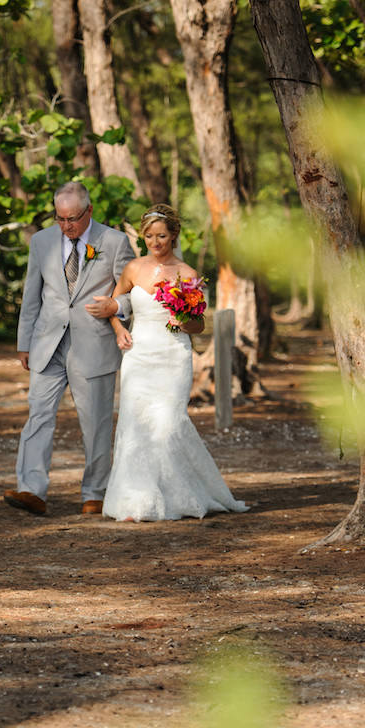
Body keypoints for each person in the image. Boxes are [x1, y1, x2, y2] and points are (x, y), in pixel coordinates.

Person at [102, 204, 247, 522]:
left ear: (173, 236)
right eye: (150, 236)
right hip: (139, 355)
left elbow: (199, 326)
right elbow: (114, 307)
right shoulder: (133, 269)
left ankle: (181, 494)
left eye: (162, 236)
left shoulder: (188, 274)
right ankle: (136, 500)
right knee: (136, 425)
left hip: (173, 355)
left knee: (168, 424)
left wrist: (184, 321)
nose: (155, 242)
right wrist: (118, 331)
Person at [4, 181, 136, 516]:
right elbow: (31, 295)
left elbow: (134, 291)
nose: (67, 226)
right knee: (38, 415)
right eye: (61, 219)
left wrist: (115, 306)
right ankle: (31, 490)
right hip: (47, 344)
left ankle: (95, 492)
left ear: (89, 211)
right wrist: (24, 342)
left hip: (94, 344)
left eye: (73, 219)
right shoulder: (42, 241)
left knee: (96, 422)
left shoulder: (114, 242)